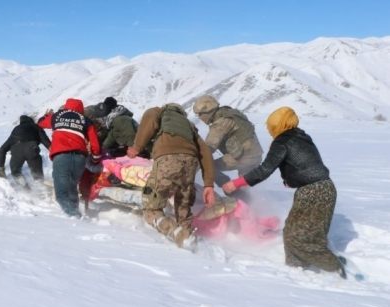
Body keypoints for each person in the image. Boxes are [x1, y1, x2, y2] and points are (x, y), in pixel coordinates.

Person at [222, 106, 345, 277]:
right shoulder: (302, 137)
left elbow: (265, 170)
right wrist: (292, 180)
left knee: (302, 238)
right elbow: (305, 164)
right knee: (292, 233)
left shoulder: (282, 141)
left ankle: (337, 271)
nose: (270, 130)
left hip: (313, 192)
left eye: (271, 126)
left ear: (278, 125)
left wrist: (237, 183)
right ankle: (297, 270)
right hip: (325, 188)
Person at [127, 103, 215, 247]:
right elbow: (205, 153)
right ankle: (189, 236)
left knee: (151, 207)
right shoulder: (189, 126)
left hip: (168, 159)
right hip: (191, 163)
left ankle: (176, 233)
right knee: (183, 207)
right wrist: (208, 184)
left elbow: (149, 120)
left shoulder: (158, 111)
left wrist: (137, 147)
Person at [38, 98, 101, 217]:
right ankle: (76, 215)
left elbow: (40, 123)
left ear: (66, 106)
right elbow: (95, 145)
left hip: (62, 157)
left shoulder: (57, 116)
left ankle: (75, 217)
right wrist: (95, 158)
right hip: (80, 159)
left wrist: (46, 115)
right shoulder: (86, 120)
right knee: (72, 189)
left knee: (61, 194)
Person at [193, 95, 263, 193]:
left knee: (209, 167)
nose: (200, 118)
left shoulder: (220, 123)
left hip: (244, 157)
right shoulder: (232, 113)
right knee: (244, 185)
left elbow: (208, 149)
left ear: (207, 112)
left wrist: (193, 168)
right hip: (255, 154)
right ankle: (250, 202)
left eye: (200, 114)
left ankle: (231, 190)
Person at [0, 115, 51, 185]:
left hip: (16, 151)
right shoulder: (36, 127)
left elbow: (2, 149)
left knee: (16, 172)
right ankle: (41, 188)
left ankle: (26, 190)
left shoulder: (16, 129)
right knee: (38, 176)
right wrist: (56, 154)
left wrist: (1, 168)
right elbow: (46, 141)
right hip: (31, 149)